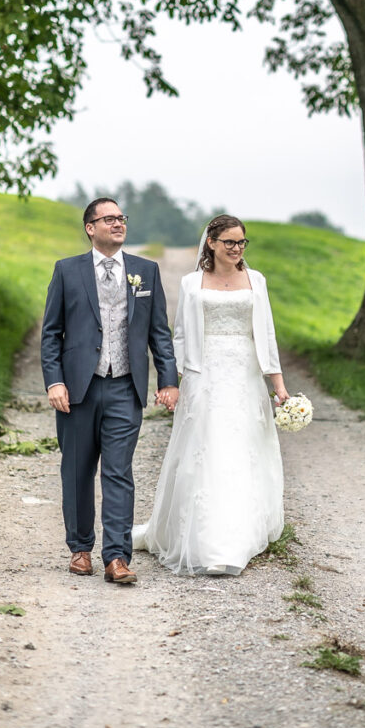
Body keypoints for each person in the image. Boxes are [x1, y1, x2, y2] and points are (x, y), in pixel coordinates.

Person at [134, 214, 289, 576]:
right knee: (209, 448)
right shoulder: (191, 284)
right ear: (212, 243)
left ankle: (238, 535)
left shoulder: (256, 281)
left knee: (242, 449)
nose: (236, 249)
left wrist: (278, 386)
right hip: (205, 376)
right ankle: (208, 540)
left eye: (241, 243)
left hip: (246, 376)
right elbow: (181, 338)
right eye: (229, 242)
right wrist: (173, 382)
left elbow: (266, 336)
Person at [41, 197, 178, 584]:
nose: (118, 224)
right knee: (77, 471)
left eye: (122, 218)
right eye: (109, 219)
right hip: (78, 390)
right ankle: (80, 549)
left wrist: (168, 380)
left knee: (119, 473)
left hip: (125, 388)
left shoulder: (145, 272)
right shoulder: (67, 271)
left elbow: (159, 334)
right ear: (90, 227)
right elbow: (52, 333)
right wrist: (55, 381)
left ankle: (116, 557)